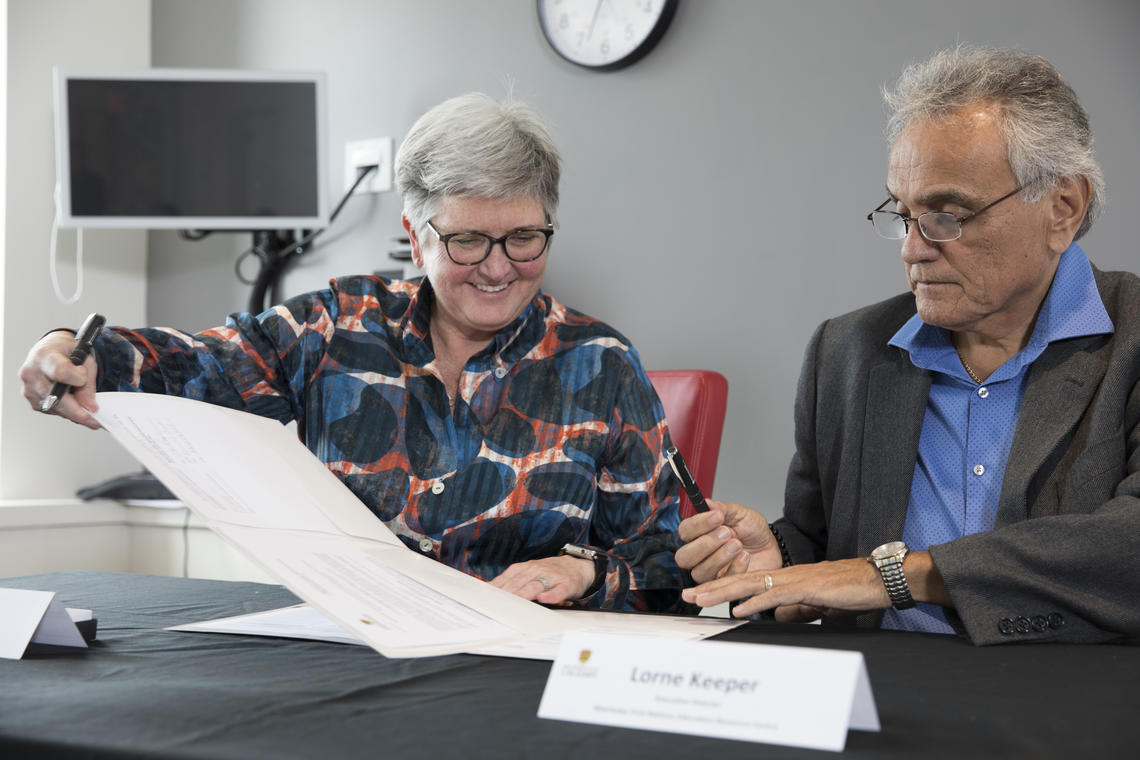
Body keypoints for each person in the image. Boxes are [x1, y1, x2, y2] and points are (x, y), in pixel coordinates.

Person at [21, 92, 689, 613]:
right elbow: (197, 365)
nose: (497, 268)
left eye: (524, 238)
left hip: (524, 666)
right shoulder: (335, 326)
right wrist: (76, 351)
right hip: (354, 654)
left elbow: (667, 560)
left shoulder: (600, 362)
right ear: (414, 234)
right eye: (466, 241)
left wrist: (584, 572)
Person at [677, 46, 1140, 644]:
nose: (913, 248)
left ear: (1062, 208)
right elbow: (823, 543)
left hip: (1075, 700)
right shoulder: (846, 351)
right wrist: (778, 557)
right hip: (881, 693)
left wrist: (896, 576)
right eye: (903, 212)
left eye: (948, 215)